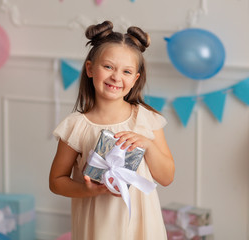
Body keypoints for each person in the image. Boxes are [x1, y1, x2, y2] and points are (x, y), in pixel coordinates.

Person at [49, 20, 175, 240]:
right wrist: (86, 190)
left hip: (141, 226)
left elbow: (166, 177)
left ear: (135, 79)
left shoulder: (145, 119)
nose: (116, 77)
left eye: (126, 71)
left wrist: (148, 145)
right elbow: (56, 181)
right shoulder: (76, 126)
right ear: (90, 68)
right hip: (98, 225)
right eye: (108, 67)